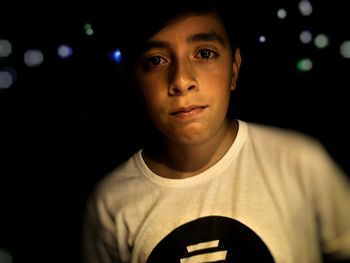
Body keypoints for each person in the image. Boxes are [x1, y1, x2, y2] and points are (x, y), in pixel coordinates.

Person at [80, 1, 350, 262]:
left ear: (234, 68)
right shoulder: (111, 203)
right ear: (136, 79)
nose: (182, 80)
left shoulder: (299, 163)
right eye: (156, 60)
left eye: (205, 53)